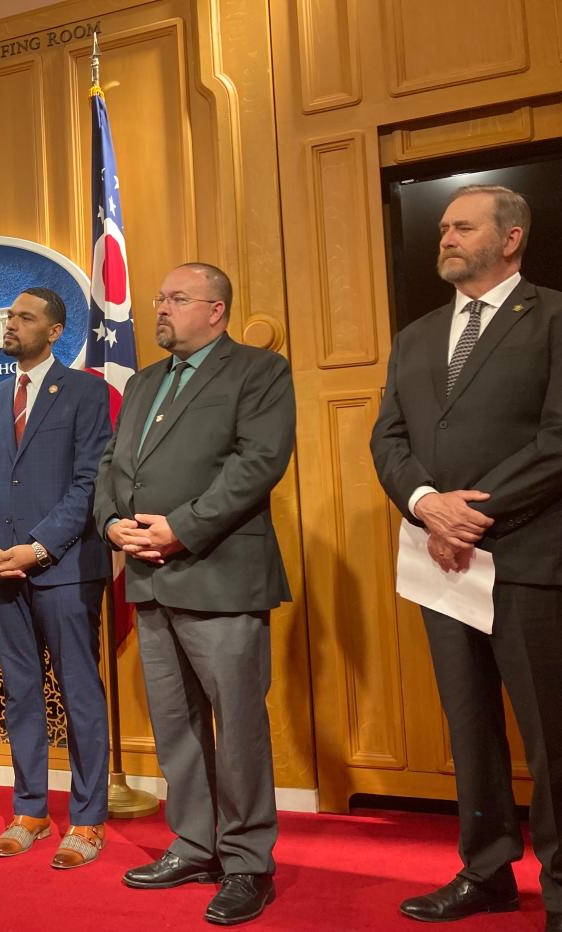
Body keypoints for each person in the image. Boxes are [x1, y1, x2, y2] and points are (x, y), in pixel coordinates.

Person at [371, 185, 562, 932]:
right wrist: (425, 502)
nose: (445, 236)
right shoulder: (417, 335)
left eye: (463, 227)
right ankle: (485, 871)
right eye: (444, 227)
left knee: (550, 734)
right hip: (439, 560)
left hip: (528, 554)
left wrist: (467, 512)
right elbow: (388, 439)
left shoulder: (552, 316)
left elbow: (557, 438)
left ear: (510, 238)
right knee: (468, 725)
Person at [93, 262, 295, 925]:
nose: (161, 308)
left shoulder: (258, 372)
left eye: (177, 298)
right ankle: (193, 844)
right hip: (149, 575)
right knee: (177, 726)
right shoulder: (146, 381)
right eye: (159, 298)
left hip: (222, 575)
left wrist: (182, 527)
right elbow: (110, 465)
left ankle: (247, 864)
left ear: (216, 309)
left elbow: (258, 463)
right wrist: (113, 523)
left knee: (237, 729)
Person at [0, 287, 112, 869]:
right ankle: (30, 810)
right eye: (9, 316)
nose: (11, 324)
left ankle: (88, 820)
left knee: (79, 694)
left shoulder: (86, 392)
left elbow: (89, 483)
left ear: (54, 332)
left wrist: (37, 548)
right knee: (20, 692)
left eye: (24, 317)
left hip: (66, 570)